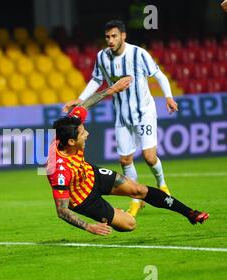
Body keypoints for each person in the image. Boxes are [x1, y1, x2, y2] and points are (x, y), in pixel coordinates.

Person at [48, 76, 208, 236]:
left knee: (138, 190)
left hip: (91, 174)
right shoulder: (58, 169)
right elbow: (62, 210)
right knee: (130, 224)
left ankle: (190, 213)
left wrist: (112, 90)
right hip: (84, 200)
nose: (87, 134)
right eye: (83, 133)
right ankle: (112, 215)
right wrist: (90, 227)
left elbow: (85, 104)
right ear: (70, 141)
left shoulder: (70, 126)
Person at [62, 20, 178, 217]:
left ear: (123, 36)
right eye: (107, 37)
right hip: (122, 116)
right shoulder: (102, 57)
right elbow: (97, 79)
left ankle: (162, 184)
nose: (110, 40)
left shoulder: (138, 54)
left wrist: (168, 97)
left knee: (150, 158)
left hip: (144, 113)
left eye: (114, 36)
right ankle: (136, 200)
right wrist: (80, 99)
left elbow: (159, 75)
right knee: (125, 160)